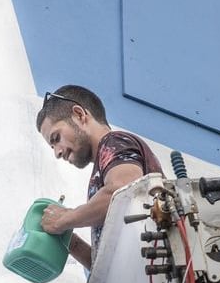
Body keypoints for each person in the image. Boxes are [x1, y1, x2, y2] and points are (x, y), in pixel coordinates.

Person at [36, 85, 164, 270]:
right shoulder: (104, 171)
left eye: (56, 138)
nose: (57, 153)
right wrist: (70, 241)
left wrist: (64, 218)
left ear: (79, 115)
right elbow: (106, 270)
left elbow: (123, 193)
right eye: (52, 147)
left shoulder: (114, 142)